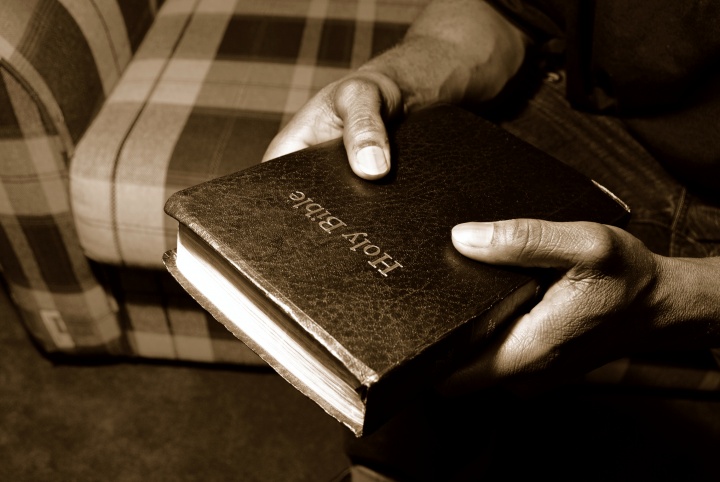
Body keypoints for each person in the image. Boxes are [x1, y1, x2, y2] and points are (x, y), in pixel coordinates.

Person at [263, 0, 720, 479]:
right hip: (606, 116)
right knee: (422, 276)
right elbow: (507, 11)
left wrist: (669, 296)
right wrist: (389, 80)